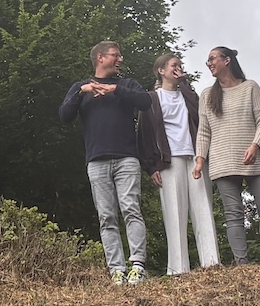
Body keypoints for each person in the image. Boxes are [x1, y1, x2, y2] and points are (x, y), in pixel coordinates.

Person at [59, 40, 155, 285]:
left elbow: (145, 102)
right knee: (106, 216)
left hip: (127, 158)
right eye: (116, 55)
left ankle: (137, 266)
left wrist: (115, 90)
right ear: (100, 58)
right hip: (96, 160)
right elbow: (64, 116)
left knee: (131, 209)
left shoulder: (126, 84)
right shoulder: (81, 88)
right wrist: (82, 92)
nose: (120, 59)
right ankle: (117, 271)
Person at [139, 51, 221, 272]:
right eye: (173, 65)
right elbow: (144, 135)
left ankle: (212, 262)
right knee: (174, 213)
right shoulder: (151, 99)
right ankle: (178, 269)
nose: (178, 68)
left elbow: (198, 114)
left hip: (194, 156)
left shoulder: (187, 94)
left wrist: (183, 82)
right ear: (161, 70)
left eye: (180, 65)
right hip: (168, 160)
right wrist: (151, 167)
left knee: (203, 206)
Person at [193, 46, 260, 263]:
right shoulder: (207, 95)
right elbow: (204, 131)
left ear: (227, 60)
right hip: (223, 162)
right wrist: (200, 160)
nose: (209, 63)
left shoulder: (250, 87)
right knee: (233, 214)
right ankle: (242, 263)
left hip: (255, 160)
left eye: (212, 58)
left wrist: (255, 145)